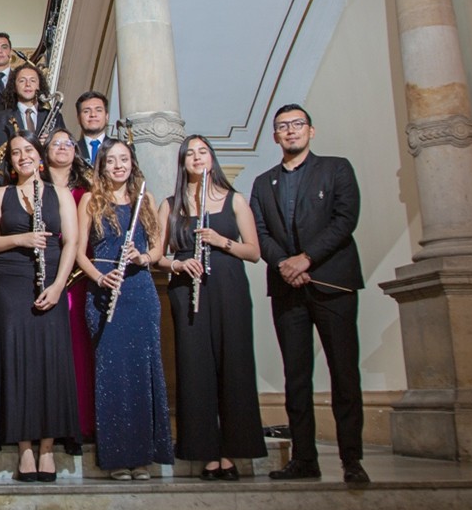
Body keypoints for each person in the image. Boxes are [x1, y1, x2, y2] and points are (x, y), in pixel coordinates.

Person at [249, 104, 368, 484]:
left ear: (310, 131)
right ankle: (304, 459)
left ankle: (352, 459)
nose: (291, 131)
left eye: (297, 124)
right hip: (287, 288)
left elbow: (345, 220)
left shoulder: (336, 169)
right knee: (296, 377)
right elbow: (259, 232)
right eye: (283, 126)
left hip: (332, 285)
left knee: (344, 373)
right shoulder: (263, 183)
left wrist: (307, 259)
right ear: (275, 136)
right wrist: (285, 264)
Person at [156, 135, 266, 481]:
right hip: (186, 289)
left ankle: (232, 451)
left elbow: (254, 252)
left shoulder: (234, 200)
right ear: (183, 162)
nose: (197, 157)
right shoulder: (171, 205)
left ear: (212, 158)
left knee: (234, 364)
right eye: (190, 153)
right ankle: (204, 451)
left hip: (229, 288)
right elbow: (158, 256)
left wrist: (222, 241)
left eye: (203, 152)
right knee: (195, 368)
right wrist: (177, 264)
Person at [0, 132, 80, 481]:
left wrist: (58, 286)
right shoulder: (0, 195)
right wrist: (20, 239)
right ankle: (24, 447)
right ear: (10, 160)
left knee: (49, 361)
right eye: (15, 152)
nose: (22, 156)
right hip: (9, 283)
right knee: (16, 360)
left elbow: (71, 243)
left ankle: (47, 448)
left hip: (50, 281)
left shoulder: (60, 194)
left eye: (28, 150)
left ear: (39, 156)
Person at [74, 139, 172, 481]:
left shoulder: (146, 199)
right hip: (104, 290)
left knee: (143, 372)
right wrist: (100, 278)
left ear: (132, 163)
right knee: (112, 374)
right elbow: (78, 253)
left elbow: (157, 248)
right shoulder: (90, 200)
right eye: (111, 160)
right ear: (102, 166)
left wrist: (143, 257)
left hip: (140, 291)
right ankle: (118, 456)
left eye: (124, 159)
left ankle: (143, 457)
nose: (118, 166)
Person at [45, 128, 96, 445]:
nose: (62, 148)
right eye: (56, 143)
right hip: (41, 275)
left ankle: (79, 423)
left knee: (77, 349)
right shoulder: (35, 186)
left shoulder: (86, 189)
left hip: (77, 278)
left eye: (68, 143)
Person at [75, 90, 111, 176]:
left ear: (107, 116)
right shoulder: (72, 150)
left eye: (98, 110)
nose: (93, 115)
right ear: (78, 118)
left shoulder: (120, 148)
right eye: (86, 111)